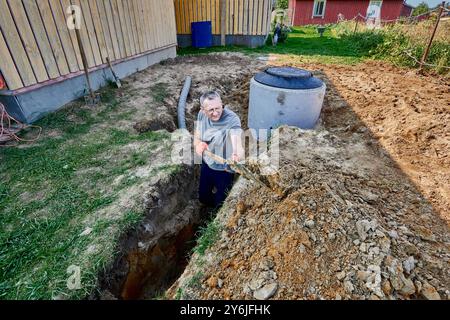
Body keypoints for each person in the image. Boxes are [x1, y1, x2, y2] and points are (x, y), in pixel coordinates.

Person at [194, 91, 244, 209]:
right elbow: (197, 135)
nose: (216, 113)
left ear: (222, 104)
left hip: (225, 170)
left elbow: (237, 142)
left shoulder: (232, 119)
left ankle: (214, 220)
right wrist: (198, 144)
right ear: (202, 109)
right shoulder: (201, 115)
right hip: (207, 164)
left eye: (218, 108)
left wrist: (236, 154)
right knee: (203, 198)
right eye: (211, 110)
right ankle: (207, 213)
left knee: (220, 204)